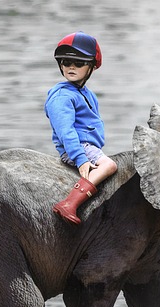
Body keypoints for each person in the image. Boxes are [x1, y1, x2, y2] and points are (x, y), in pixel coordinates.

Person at [45, 31, 118, 225]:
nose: (71, 67)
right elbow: (65, 130)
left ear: (92, 67)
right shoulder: (62, 96)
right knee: (109, 165)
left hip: (87, 146)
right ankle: (69, 203)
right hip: (76, 147)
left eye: (78, 63)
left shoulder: (86, 94)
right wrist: (80, 158)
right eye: (66, 62)